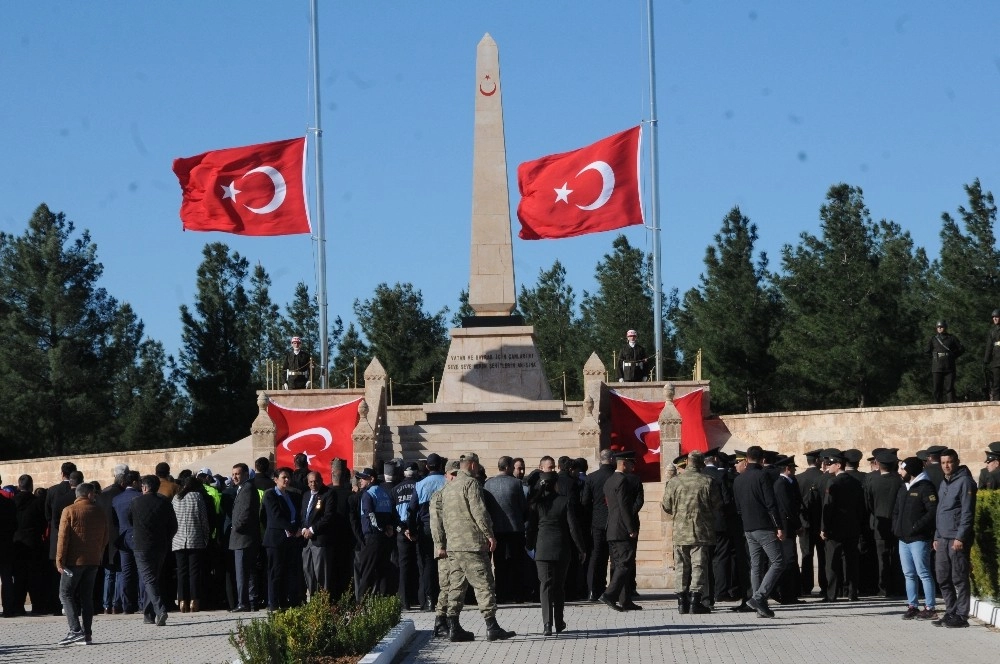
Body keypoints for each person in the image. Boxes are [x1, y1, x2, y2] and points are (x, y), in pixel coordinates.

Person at [442, 452, 515, 642]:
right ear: (473, 466)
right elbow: (479, 512)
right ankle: (492, 626)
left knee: (456, 586)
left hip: (454, 545)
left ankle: (453, 626)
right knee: (484, 584)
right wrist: (490, 535)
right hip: (472, 544)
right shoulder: (471, 484)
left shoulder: (449, 487)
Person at [660, 450, 721, 615]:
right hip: (701, 531)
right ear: (701, 464)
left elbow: (665, 506)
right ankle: (695, 601)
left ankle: (681, 602)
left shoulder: (674, 482)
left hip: (680, 532)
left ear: (687, 463)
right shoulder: (708, 481)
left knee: (681, 566)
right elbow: (717, 504)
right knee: (698, 565)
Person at [526, 468, 586, 636]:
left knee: (545, 586)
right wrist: (581, 548)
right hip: (561, 548)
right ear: (556, 484)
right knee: (559, 586)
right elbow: (573, 528)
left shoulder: (536, 503)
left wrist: (529, 545)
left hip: (543, 549)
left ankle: (547, 624)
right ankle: (559, 622)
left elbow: (531, 528)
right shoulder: (564, 501)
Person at [731, 446, 784, 618]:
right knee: (778, 561)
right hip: (764, 526)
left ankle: (759, 605)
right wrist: (778, 526)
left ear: (746, 459)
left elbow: (738, 507)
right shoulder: (763, 476)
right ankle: (759, 597)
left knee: (756, 565)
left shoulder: (739, 479)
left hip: (748, 527)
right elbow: (770, 503)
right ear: (762, 460)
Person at [55, 482, 108, 646]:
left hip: (73, 561)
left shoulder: (69, 510)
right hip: (93, 560)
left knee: (65, 594)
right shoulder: (100, 512)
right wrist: (98, 553)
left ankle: (75, 630)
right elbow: (105, 537)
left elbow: (63, 538)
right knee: (87, 598)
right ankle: (87, 635)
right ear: (89, 494)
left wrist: (59, 560)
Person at [932, 448, 977, 628]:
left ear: (956, 461)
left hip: (956, 539)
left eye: (949, 462)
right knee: (943, 577)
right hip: (942, 538)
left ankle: (961, 615)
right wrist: (936, 535)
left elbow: (967, 512)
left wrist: (961, 537)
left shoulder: (965, 482)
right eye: (943, 463)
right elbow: (940, 511)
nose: (946, 466)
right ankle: (950, 611)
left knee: (959, 577)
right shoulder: (944, 482)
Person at [892, 456, 938, 620]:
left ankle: (930, 607)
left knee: (923, 573)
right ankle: (912, 605)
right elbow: (896, 510)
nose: (899, 472)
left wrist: (916, 527)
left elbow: (932, 511)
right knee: (909, 574)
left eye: (902, 469)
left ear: (910, 470)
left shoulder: (925, 487)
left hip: (919, 538)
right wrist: (897, 527)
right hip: (903, 539)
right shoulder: (903, 487)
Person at [129, 475, 178, 626]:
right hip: (160, 546)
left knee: (149, 580)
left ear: (144, 487)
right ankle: (148, 615)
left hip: (141, 546)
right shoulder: (164, 502)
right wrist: (166, 538)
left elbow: (129, 520)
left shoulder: (135, 502)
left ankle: (160, 610)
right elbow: (173, 525)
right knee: (152, 580)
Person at [599, 451, 643, 612]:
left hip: (611, 527)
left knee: (620, 564)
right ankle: (609, 595)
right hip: (621, 529)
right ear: (624, 463)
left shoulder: (610, 480)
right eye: (631, 463)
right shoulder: (622, 480)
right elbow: (624, 507)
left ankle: (625, 600)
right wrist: (631, 528)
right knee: (624, 564)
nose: (633, 467)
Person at [820, 449, 866, 603]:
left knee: (832, 562)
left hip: (835, 529)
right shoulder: (856, 482)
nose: (828, 466)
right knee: (852, 561)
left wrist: (824, 528)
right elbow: (861, 507)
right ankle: (852, 593)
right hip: (852, 528)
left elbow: (828, 507)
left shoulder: (832, 482)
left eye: (830, 464)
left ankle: (832, 594)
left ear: (838, 465)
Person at [483, 456, 528, 605]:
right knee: (517, 563)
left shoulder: (488, 484)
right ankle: (518, 594)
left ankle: (501, 594)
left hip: (496, 530)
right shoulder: (516, 483)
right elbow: (523, 506)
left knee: (499, 563)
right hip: (515, 529)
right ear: (508, 467)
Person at [408, 453, 447, 612]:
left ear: (426, 466)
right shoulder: (447, 482)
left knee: (428, 565)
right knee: (446, 564)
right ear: (440, 466)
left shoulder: (420, 484)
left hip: (426, 528)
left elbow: (411, 510)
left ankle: (430, 600)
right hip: (445, 528)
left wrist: (411, 530)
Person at [866, 449, 905, 597]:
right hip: (896, 524)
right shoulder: (899, 480)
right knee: (896, 556)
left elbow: (868, 503)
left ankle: (884, 588)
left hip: (879, 523)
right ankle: (897, 586)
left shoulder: (872, 480)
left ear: (878, 464)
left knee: (881, 557)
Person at [262, 467, 302, 611]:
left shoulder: (291, 495)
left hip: (290, 540)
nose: (286, 480)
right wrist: (294, 530)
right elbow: (275, 517)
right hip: (276, 540)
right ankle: (273, 604)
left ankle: (284, 602)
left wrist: (297, 529)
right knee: (275, 572)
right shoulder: (270, 495)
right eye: (283, 477)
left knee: (287, 572)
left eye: (288, 477)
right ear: (276, 479)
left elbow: (296, 515)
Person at [430, 459, 461, 639]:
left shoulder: (458, 494)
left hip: (458, 547)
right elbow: (436, 524)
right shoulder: (440, 495)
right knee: (447, 585)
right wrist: (440, 545)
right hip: (445, 549)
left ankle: (450, 621)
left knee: (456, 586)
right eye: (452, 475)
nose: (455, 477)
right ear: (446, 475)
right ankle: (440, 621)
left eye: (458, 474)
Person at [171, 476, 210, 613]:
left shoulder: (176, 498)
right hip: (195, 539)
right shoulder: (197, 497)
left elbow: (172, 520)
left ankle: (182, 601)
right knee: (194, 572)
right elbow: (203, 520)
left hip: (178, 540)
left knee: (181, 572)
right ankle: (194, 601)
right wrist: (206, 537)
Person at [581, 448, 615, 601]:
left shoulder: (591, 478)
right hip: (615, 522)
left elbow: (585, 502)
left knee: (596, 557)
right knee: (615, 557)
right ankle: (614, 591)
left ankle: (593, 590)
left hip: (597, 522)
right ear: (613, 459)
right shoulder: (617, 476)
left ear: (600, 460)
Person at [355, 467, 394, 599]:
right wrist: (388, 528)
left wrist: (380, 528)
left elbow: (370, 514)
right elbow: (390, 514)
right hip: (385, 538)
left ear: (371, 479)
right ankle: (383, 604)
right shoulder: (384, 493)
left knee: (366, 571)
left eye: (363, 478)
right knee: (382, 571)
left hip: (372, 536)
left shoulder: (368, 494)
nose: (360, 481)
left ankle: (361, 604)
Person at [228, 463, 261, 612]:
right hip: (244, 537)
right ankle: (251, 601)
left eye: (238, 474)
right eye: (233, 474)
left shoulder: (247, 488)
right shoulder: (242, 489)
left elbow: (246, 511)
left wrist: (236, 527)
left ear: (246, 475)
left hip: (243, 537)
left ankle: (243, 602)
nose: (234, 477)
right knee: (248, 572)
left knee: (242, 572)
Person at [796, 449, 827, 598]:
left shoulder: (798, 478)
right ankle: (824, 585)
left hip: (804, 523)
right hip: (821, 523)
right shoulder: (824, 477)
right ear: (817, 461)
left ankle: (806, 586)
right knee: (823, 556)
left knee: (806, 555)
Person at [772, 455, 802, 604]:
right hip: (786, 526)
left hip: (788, 525)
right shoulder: (781, 484)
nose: (794, 471)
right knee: (788, 559)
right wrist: (798, 525)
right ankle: (787, 594)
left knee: (790, 558)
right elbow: (787, 508)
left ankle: (791, 593)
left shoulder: (787, 482)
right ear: (787, 468)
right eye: (793, 468)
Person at [927, 320, 964, 403]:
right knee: (937, 387)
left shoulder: (952, 338)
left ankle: (951, 404)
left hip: (949, 366)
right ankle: (937, 405)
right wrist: (934, 358)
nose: (939, 328)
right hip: (937, 367)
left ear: (945, 328)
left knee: (949, 387)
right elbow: (927, 351)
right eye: (938, 327)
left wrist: (953, 356)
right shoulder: (933, 339)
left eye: (941, 327)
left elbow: (961, 349)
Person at [983, 309, 1000, 400]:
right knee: (996, 383)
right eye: (993, 317)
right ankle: (997, 403)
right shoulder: (992, 331)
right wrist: (986, 360)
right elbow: (989, 347)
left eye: (996, 317)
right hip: (996, 360)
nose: (995, 319)